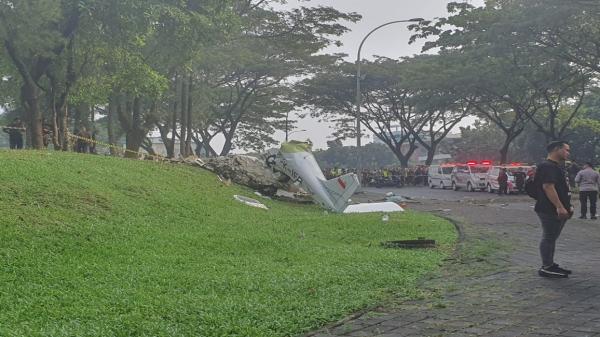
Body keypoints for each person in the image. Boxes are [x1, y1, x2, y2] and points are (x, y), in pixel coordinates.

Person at [534, 141, 573, 278]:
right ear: (557, 149)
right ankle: (546, 267)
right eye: (566, 150)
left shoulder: (556, 167)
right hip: (549, 209)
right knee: (549, 237)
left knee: (551, 238)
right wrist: (559, 207)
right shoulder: (548, 166)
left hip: (556, 209)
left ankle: (550, 264)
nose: (568, 153)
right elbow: (548, 187)